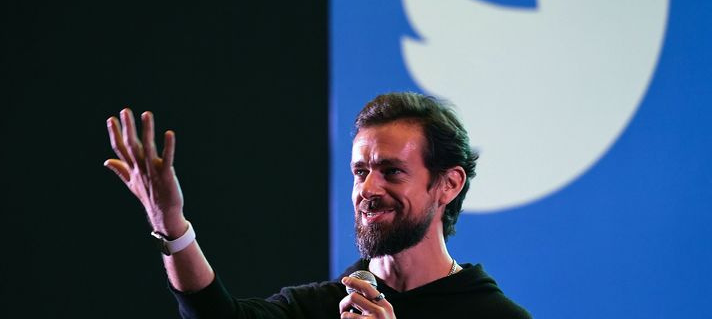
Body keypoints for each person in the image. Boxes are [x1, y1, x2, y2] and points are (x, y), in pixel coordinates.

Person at [104, 92, 532, 318]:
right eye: (360, 171)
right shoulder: (324, 307)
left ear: (448, 184)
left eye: (392, 172)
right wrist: (171, 225)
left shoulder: (495, 316)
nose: (369, 188)